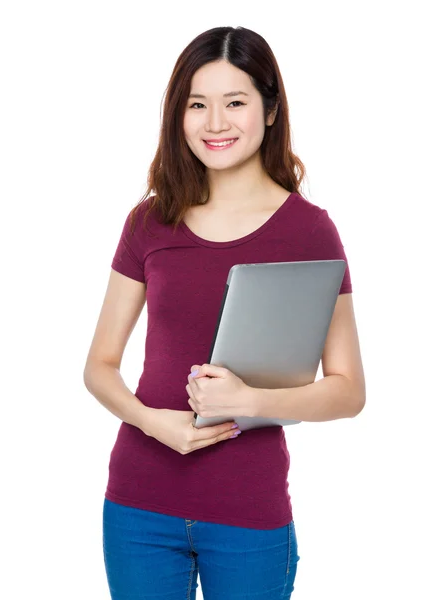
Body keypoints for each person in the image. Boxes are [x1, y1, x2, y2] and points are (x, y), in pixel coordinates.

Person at [84, 25, 366, 600]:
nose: (215, 123)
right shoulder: (149, 222)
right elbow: (99, 366)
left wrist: (250, 402)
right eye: (197, 104)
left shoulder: (310, 231)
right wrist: (153, 422)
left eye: (234, 102)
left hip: (248, 511)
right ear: (178, 115)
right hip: (138, 507)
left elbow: (348, 390)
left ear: (268, 110)